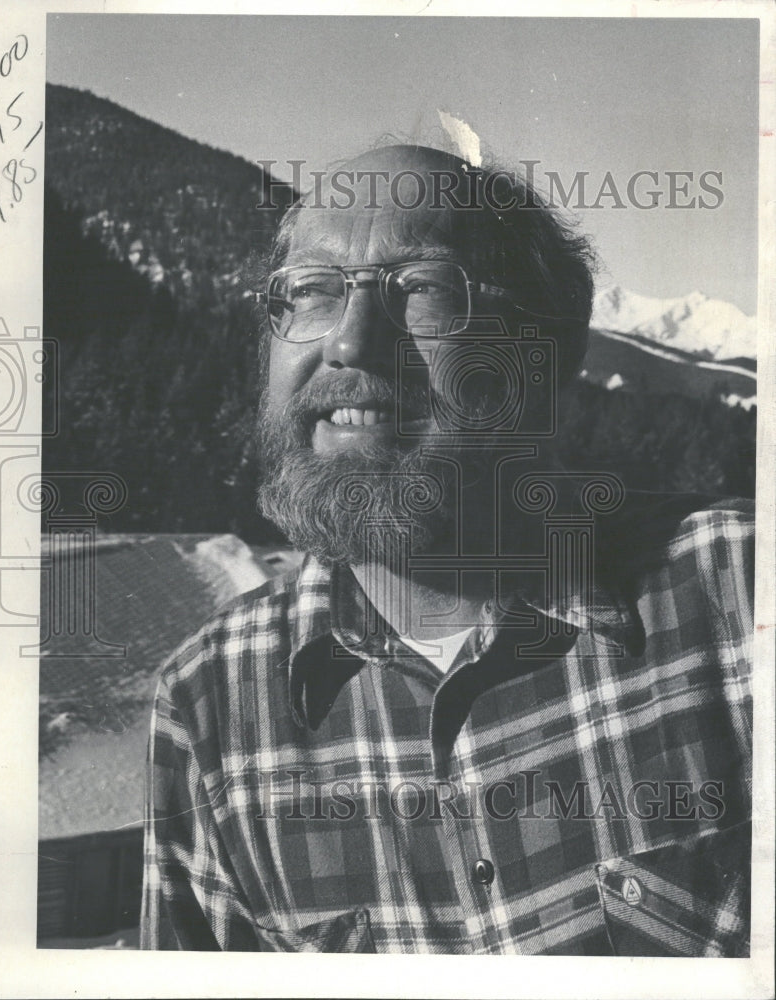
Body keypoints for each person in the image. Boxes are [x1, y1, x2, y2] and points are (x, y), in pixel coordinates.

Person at [141, 144, 753, 955]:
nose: (352, 344)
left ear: (541, 363)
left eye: (423, 290)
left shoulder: (739, 595)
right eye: (313, 292)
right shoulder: (207, 707)